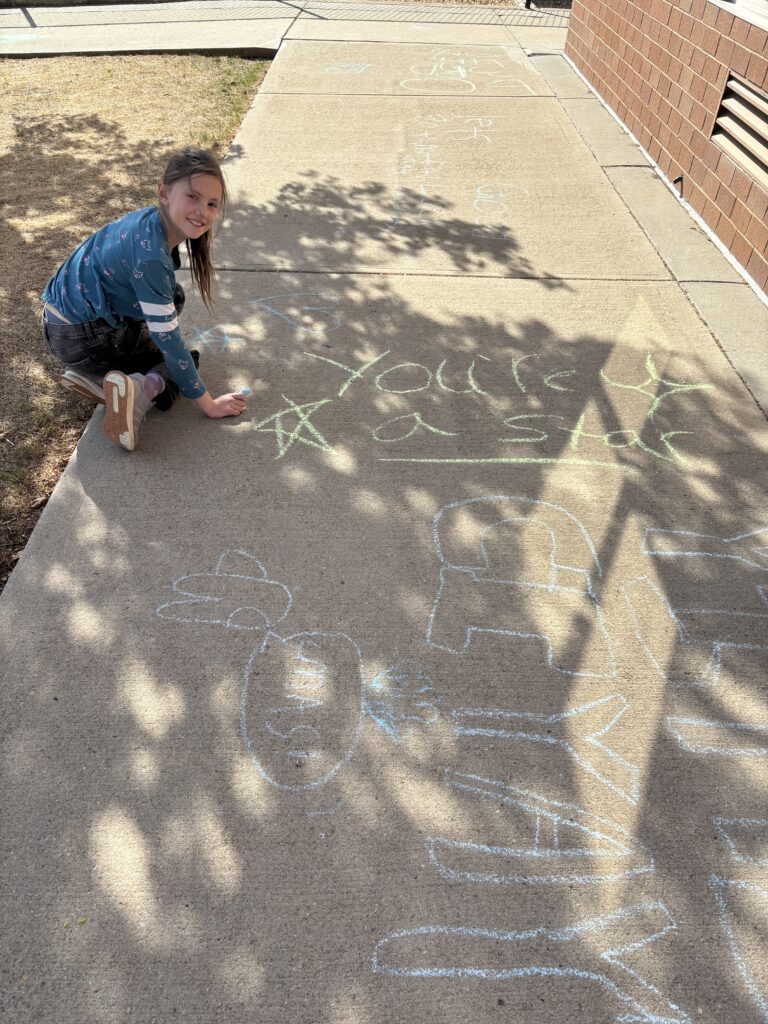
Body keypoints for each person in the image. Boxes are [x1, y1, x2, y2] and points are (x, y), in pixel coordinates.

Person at [40, 147, 247, 451]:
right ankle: (137, 391)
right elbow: (171, 344)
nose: (203, 211)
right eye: (192, 196)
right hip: (82, 336)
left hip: (61, 322)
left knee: (173, 296)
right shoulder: (151, 258)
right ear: (164, 193)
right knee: (184, 360)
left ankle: (101, 378)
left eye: (212, 203)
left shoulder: (148, 223)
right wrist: (209, 404)